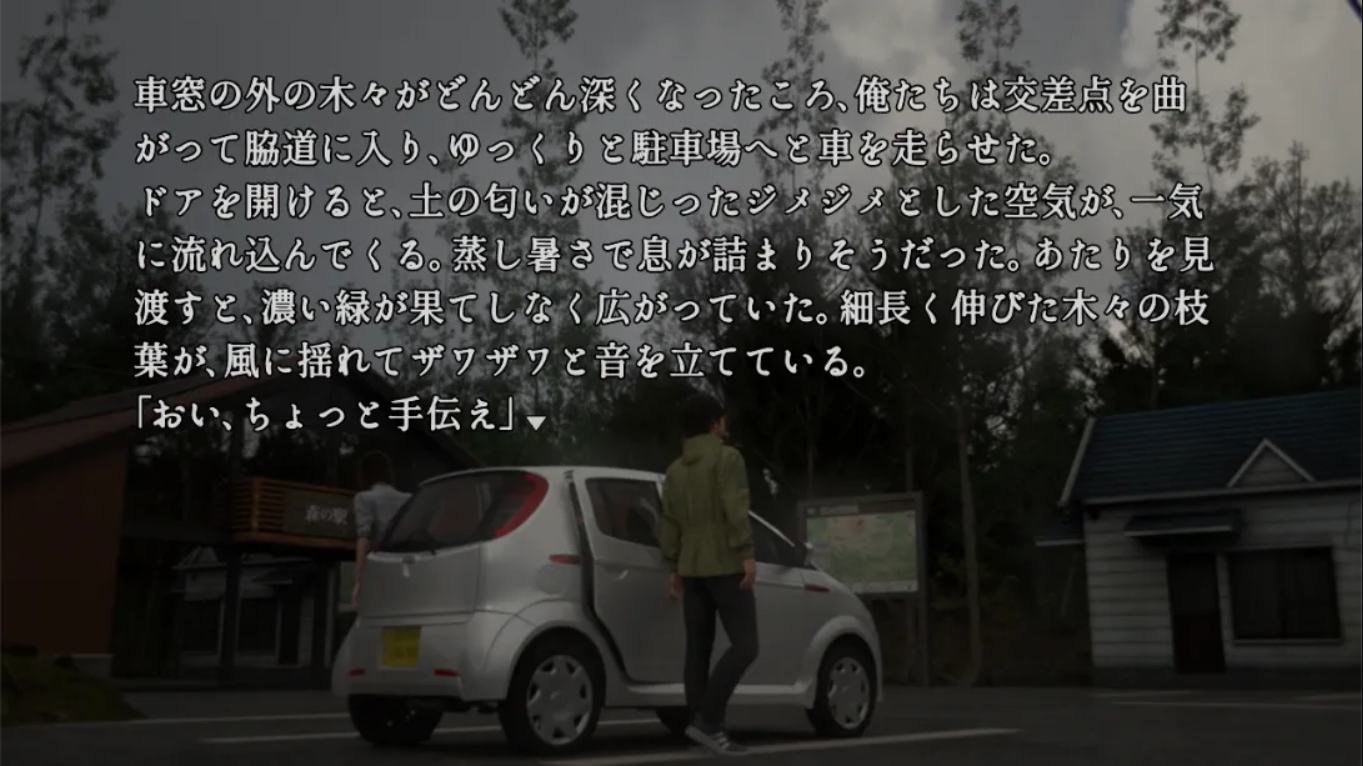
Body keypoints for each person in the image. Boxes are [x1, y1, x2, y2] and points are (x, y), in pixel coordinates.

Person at [658, 393, 758, 756]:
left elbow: (669, 522)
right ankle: (709, 723)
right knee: (746, 645)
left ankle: (701, 728)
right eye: (723, 419)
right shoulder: (728, 458)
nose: (725, 425)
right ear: (715, 423)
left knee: (697, 650)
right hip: (726, 563)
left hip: (691, 567)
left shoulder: (674, 470)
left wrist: (674, 566)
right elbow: (735, 508)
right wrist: (747, 553)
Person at [350, 450, 411, 607]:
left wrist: (358, 581)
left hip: (380, 565)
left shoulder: (363, 498)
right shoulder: (408, 498)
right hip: (406, 566)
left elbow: (364, 538)